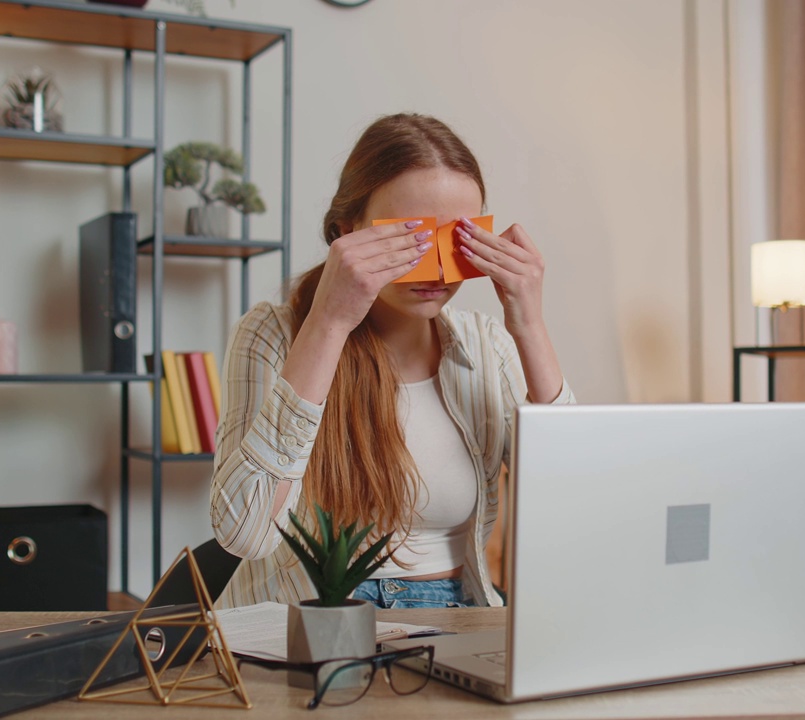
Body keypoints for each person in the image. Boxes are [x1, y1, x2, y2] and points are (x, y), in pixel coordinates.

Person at [210, 113, 573, 609]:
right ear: (346, 231)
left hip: (459, 622)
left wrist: (530, 326)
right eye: (411, 239)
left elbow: (572, 507)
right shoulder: (273, 334)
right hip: (311, 629)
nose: (438, 270)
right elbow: (244, 535)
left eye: (458, 239)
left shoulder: (486, 344)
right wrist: (328, 325)